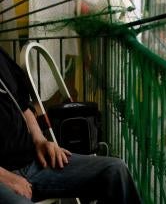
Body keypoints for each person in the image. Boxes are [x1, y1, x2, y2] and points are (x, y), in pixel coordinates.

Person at [0, 46, 141, 204]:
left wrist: (40, 141)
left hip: (32, 162)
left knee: (115, 170)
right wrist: (8, 179)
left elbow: (23, 105)